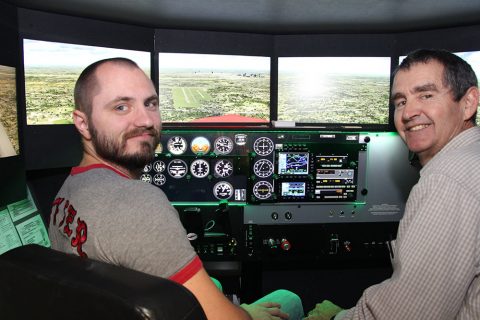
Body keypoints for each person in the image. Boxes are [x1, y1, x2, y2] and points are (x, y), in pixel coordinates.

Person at [48, 57, 304, 320]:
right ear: (82, 123)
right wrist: (245, 313)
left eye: (150, 104)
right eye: (122, 107)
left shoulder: (67, 191)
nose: (145, 120)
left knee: (213, 285)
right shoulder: (138, 201)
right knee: (288, 299)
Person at [307, 49, 480, 320]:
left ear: (468, 102)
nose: (409, 112)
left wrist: (335, 317)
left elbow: (408, 313)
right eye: (400, 101)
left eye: (426, 95)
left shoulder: (446, 180)